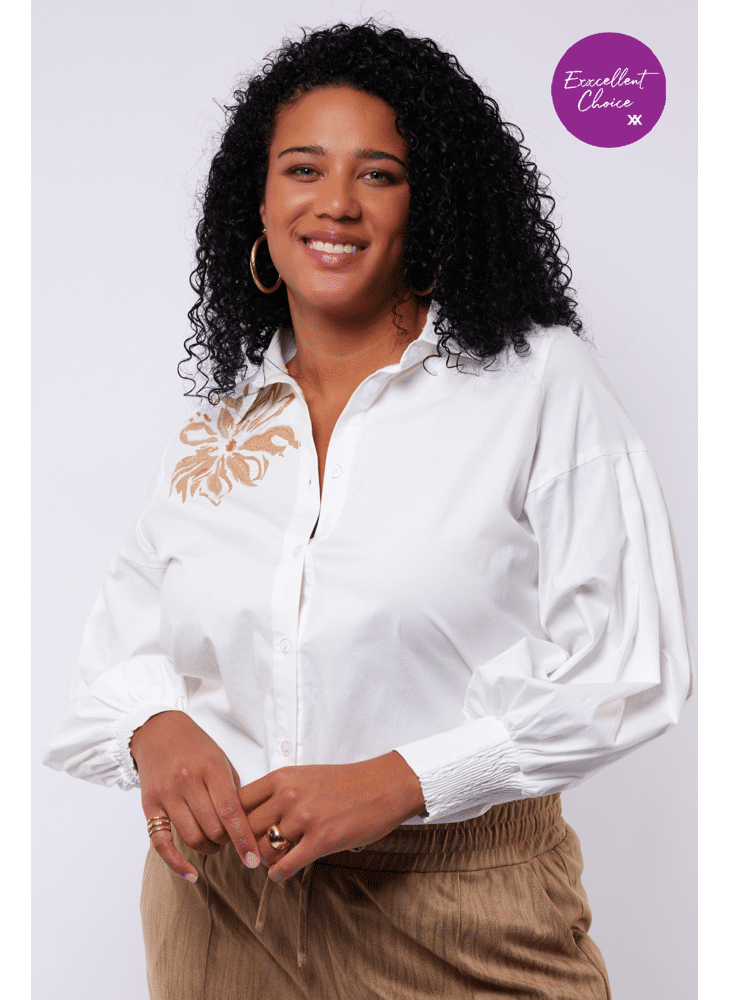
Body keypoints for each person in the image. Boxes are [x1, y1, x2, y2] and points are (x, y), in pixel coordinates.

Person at [44, 21, 691, 1000]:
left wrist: (402, 780)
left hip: (462, 909)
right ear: (260, 201)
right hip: (223, 909)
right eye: (303, 168)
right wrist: (155, 729)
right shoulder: (221, 432)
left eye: (378, 174)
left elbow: (631, 667)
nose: (335, 202)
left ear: (428, 200)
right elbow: (112, 660)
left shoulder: (536, 385)